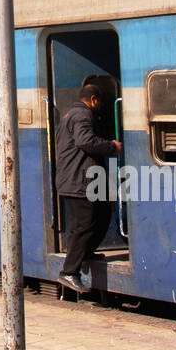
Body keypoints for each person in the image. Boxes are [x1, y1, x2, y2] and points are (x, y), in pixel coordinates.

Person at [55, 83, 122, 294]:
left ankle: (86, 253)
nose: (100, 106)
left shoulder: (70, 115)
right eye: (100, 101)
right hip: (78, 181)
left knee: (102, 216)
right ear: (93, 100)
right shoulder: (82, 116)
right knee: (84, 225)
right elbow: (86, 141)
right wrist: (112, 146)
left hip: (81, 180)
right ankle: (69, 272)